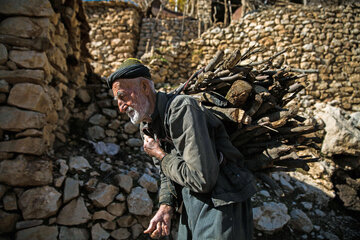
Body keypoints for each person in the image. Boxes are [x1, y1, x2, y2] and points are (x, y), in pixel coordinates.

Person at [107, 58, 257, 239]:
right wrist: (166, 206)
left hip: (223, 200)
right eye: (117, 100)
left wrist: (161, 155)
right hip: (192, 198)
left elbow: (202, 179)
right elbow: (166, 172)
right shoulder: (146, 125)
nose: (120, 108)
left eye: (123, 96)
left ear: (145, 87)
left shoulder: (181, 109)